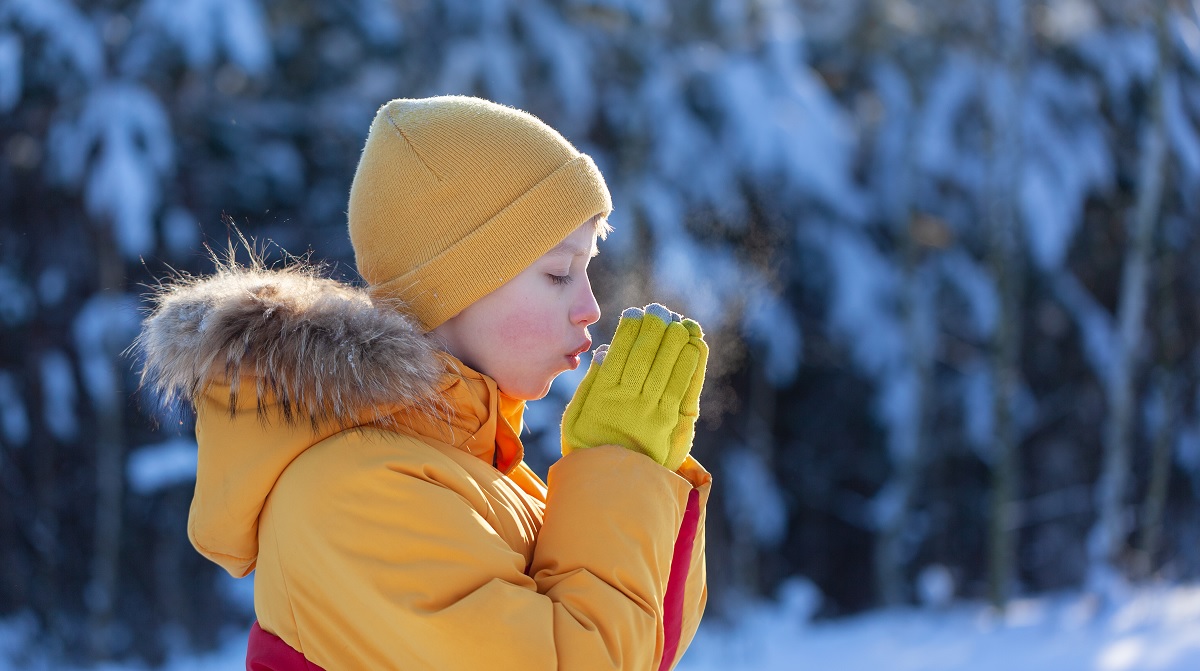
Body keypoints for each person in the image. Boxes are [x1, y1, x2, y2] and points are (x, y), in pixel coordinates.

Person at [137, 95, 712, 670]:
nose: (590, 307)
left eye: (587, 270)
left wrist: (644, 474)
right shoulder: (353, 495)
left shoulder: (479, 473)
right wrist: (616, 471)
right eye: (559, 273)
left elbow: (641, 647)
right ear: (457, 283)